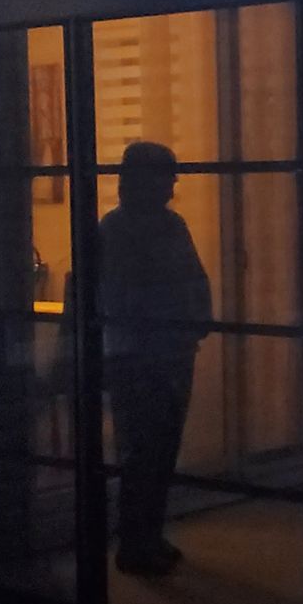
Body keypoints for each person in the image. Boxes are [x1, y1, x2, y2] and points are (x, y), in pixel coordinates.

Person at [98, 141, 211, 576]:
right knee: (140, 452)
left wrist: (198, 320)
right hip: (137, 357)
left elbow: (194, 278)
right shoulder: (116, 230)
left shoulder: (172, 225)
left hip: (174, 352)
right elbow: (124, 297)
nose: (172, 185)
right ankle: (134, 543)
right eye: (166, 176)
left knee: (164, 450)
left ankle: (150, 535)